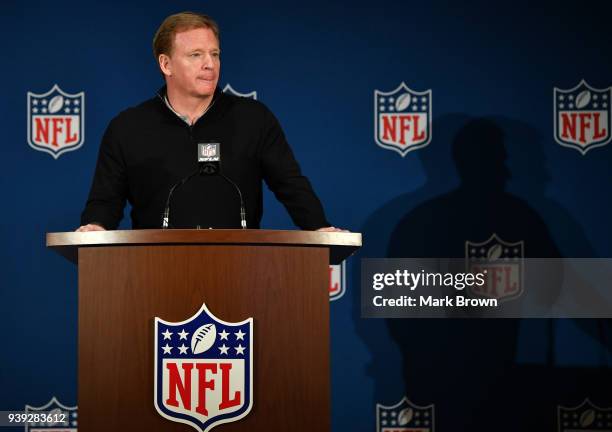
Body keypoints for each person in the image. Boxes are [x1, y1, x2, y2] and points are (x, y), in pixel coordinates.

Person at [77, 12, 343, 232]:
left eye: (214, 54)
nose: (210, 64)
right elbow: (105, 201)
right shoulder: (129, 127)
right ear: (166, 64)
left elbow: (291, 185)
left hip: (240, 271)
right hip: (154, 274)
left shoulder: (253, 118)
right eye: (196, 55)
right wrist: (95, 226)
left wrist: (319, 228)